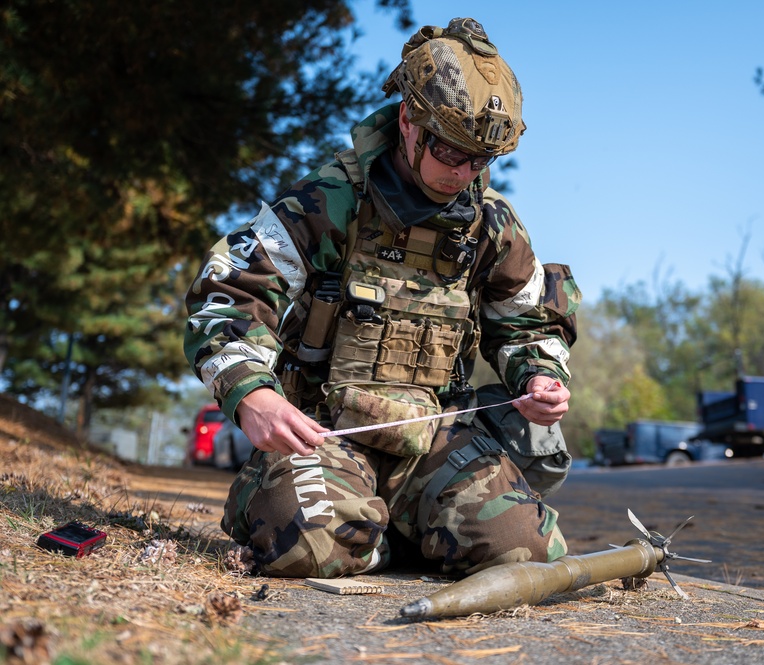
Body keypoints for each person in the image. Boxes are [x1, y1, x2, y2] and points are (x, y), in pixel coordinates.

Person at [184, 17, 580, 578]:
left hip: (436, 440)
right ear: (408, 121)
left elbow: (528, 322)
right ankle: (336, 518)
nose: (462, 172)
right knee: (308, 549)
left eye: (480, 160)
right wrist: (253, 395)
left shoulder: (492, 226)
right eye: (450, 151)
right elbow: (227, 296)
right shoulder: (328, 202)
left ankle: (382, 529)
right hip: (324, 433)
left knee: (529, 555)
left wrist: (538, 376)